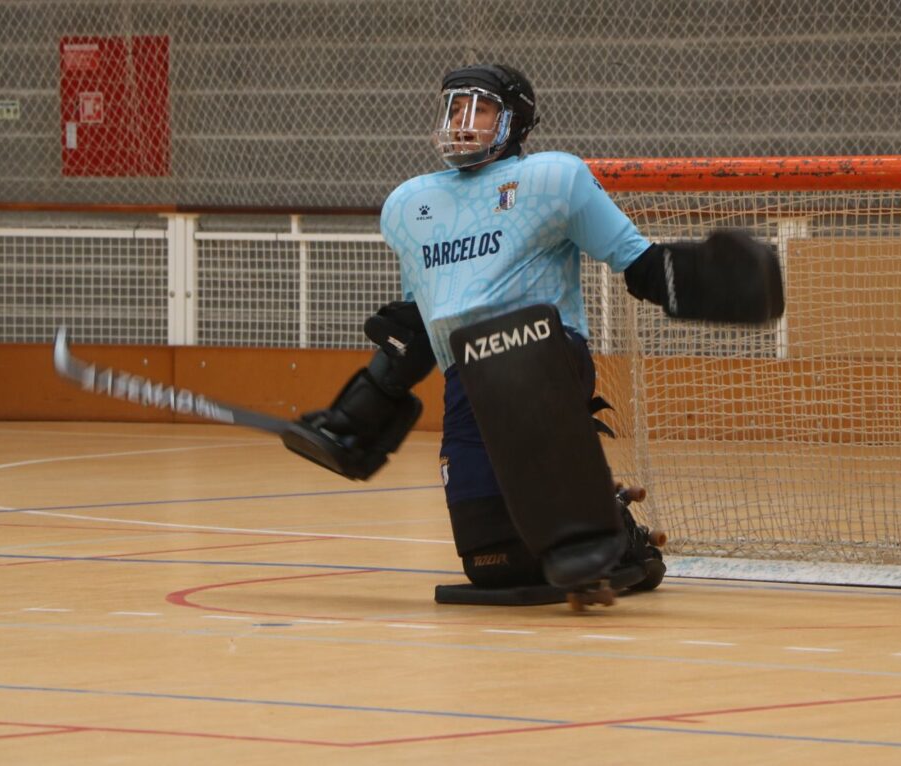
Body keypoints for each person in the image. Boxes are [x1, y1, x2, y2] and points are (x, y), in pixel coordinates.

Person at [282, 64, 783, 605]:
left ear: (514, 121)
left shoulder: (552, 179)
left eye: (480, 108)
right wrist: (360, 412)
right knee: (495, 564)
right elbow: (422, 321)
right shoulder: (409, 206)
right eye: (454, 107)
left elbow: (637, 263)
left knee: (517, 377)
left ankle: (591, 529)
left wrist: (719, 282)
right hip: (467, 379)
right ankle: (607, 520)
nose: (461, 120)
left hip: (543, 354)